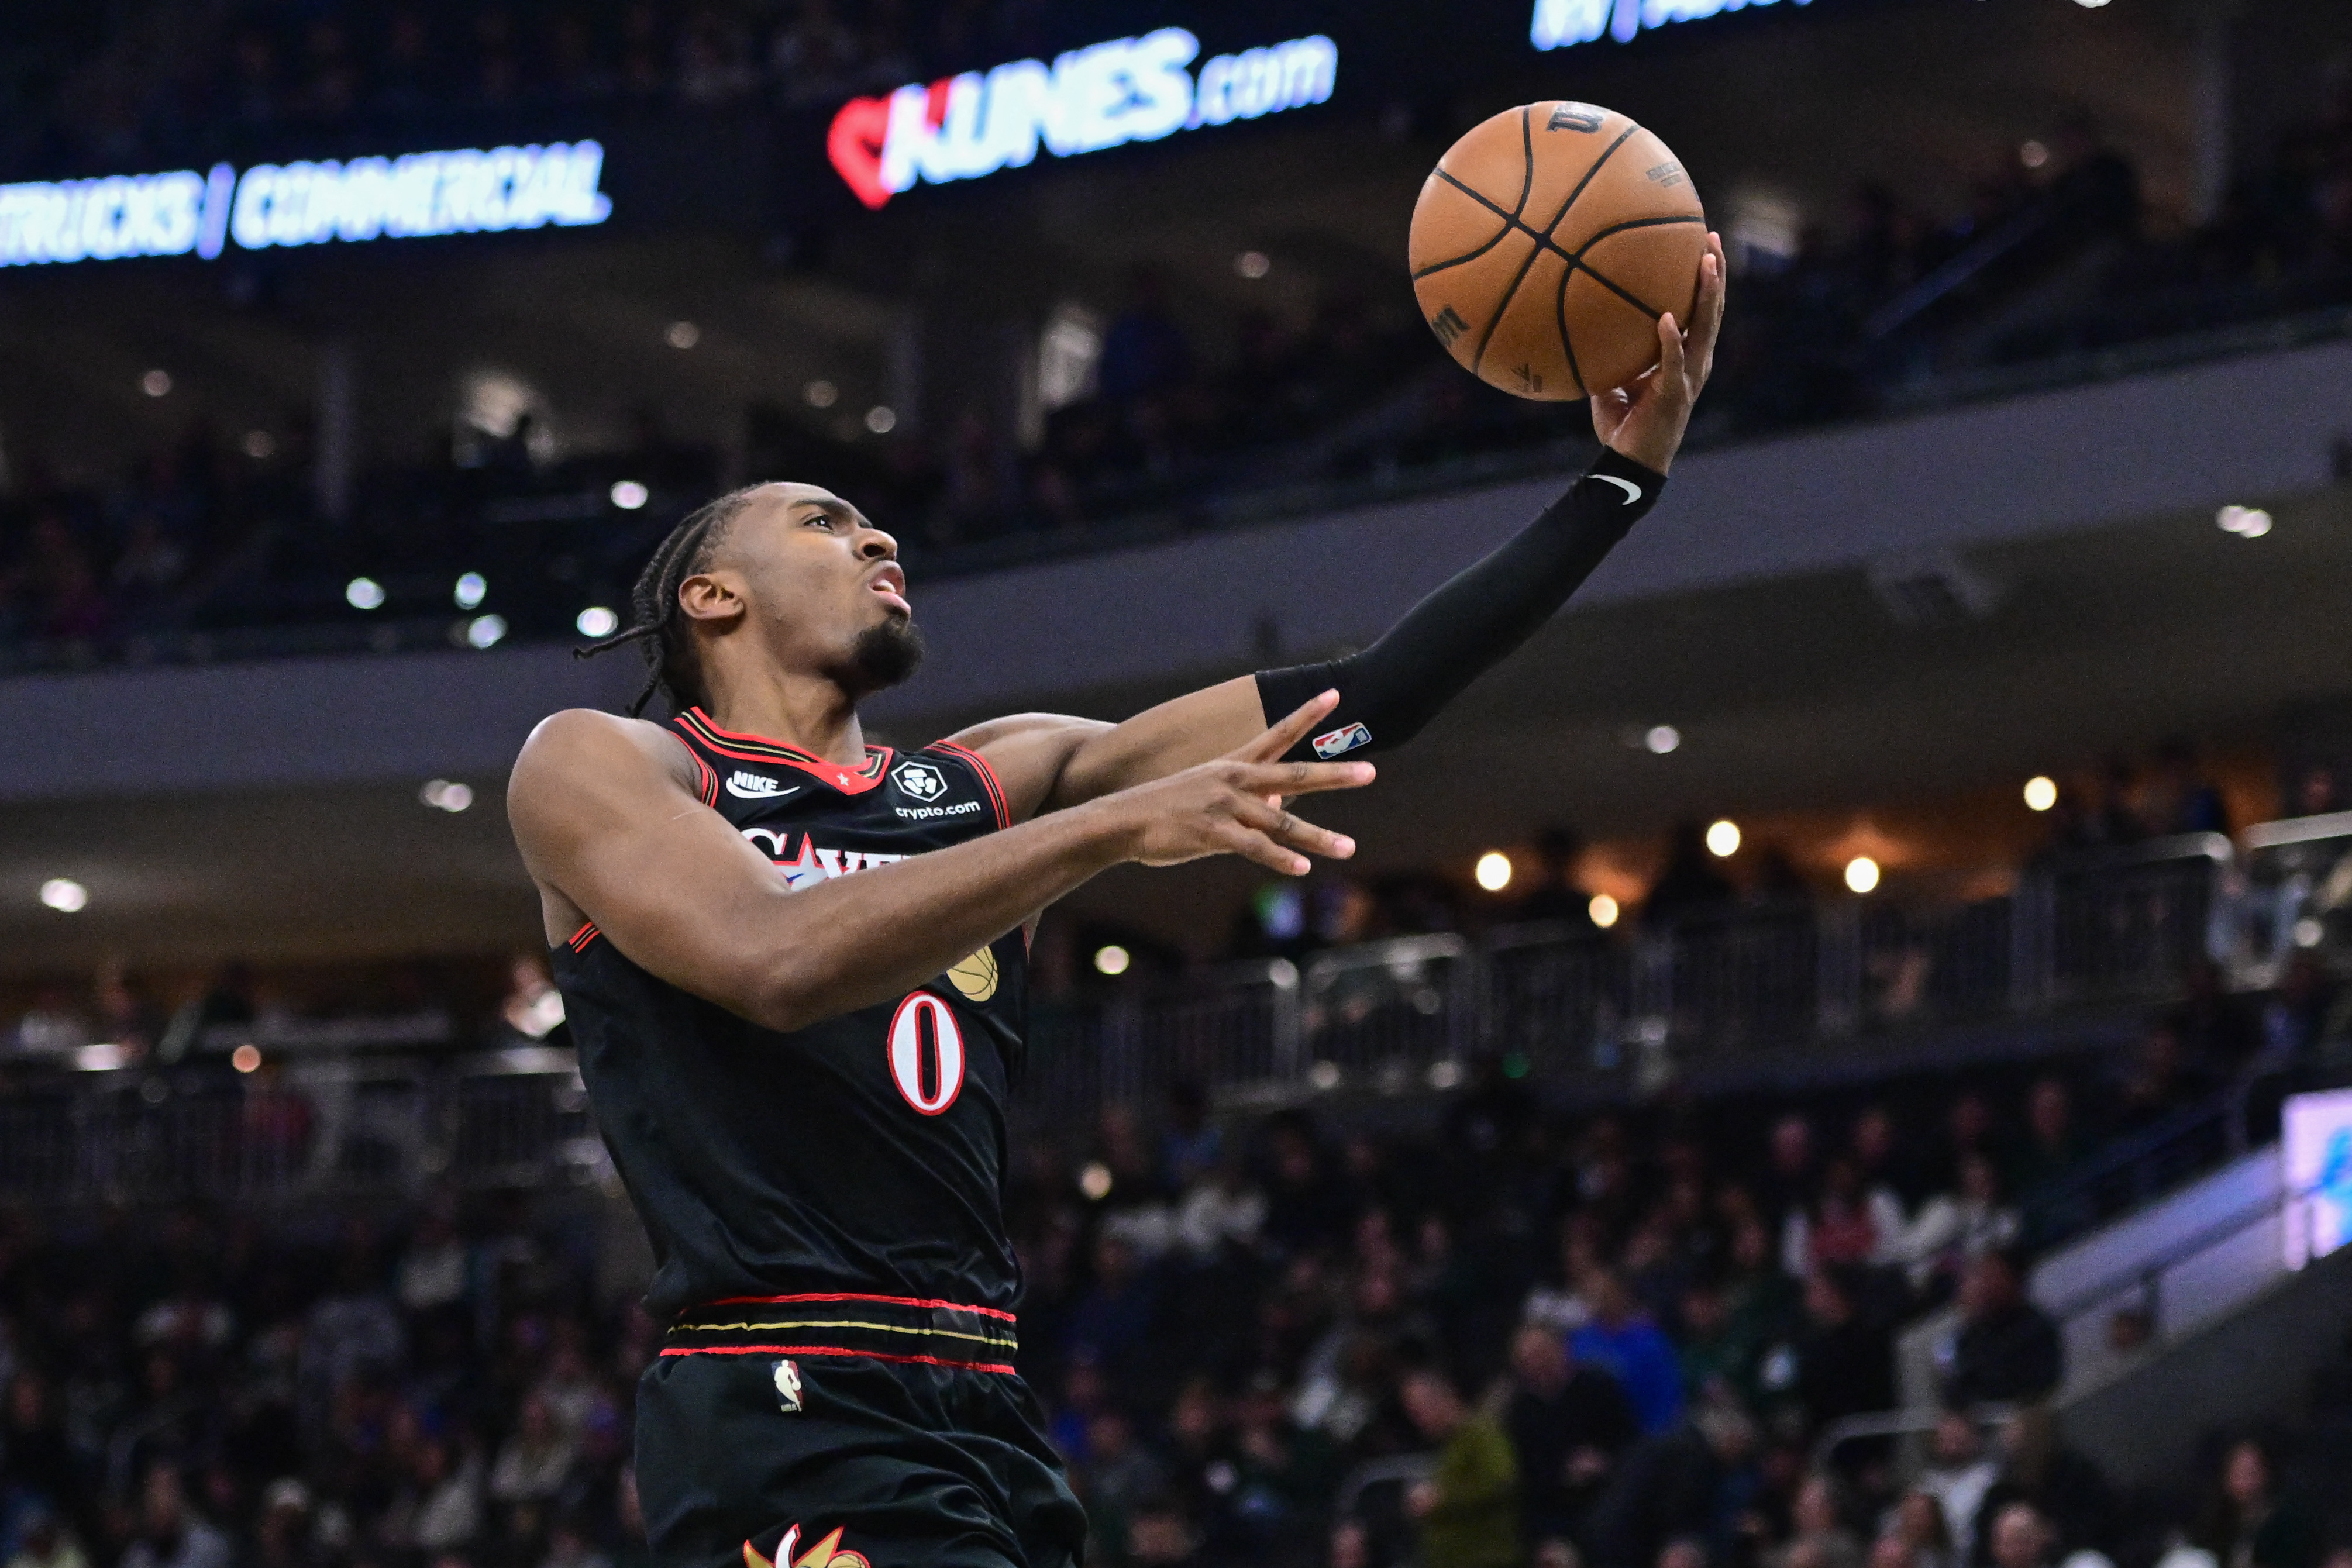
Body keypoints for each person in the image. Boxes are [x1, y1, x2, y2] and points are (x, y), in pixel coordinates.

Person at [507, 242, 1729, 1568]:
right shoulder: (610, 763)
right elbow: (773, 957)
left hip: (982, 1392)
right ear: (711, 595)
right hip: (781, 1388)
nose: (878, 535)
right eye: (822, 519)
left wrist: (1618, 482)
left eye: (872, 521)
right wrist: (1104, 831)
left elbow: (1363, 699)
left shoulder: (994, 776)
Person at [1503, 1322, 1641, 1550]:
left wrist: (1603, 1461)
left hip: (1610, 1495)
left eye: (1543, 1354)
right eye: (1528, 1360)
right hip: (1551, 1511)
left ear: (1562, 1350)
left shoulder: (1598, 1387)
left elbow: (1632, 1443)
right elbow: (1526, 1476)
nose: (1538, 1365)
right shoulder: (1520, 1412)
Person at [1401, 1366, 1520, 1568]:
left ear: (1442, 1400)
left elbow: (1501, 1480)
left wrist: (1442, 1498)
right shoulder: (1451, 1445)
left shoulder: (1481, 1434)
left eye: (1420, 1411)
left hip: (1486, 1559)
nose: (1418, 1422)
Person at [1943, 1253, 2062, 1408]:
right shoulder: (1970, 1337)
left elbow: (2037, 1386)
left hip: (2026, 1412)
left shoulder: (2035, 1328)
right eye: (1983, 1277)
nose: (1985, 1286)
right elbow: (1957, 1386)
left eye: (1994, 1277)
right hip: (1984, 1420)